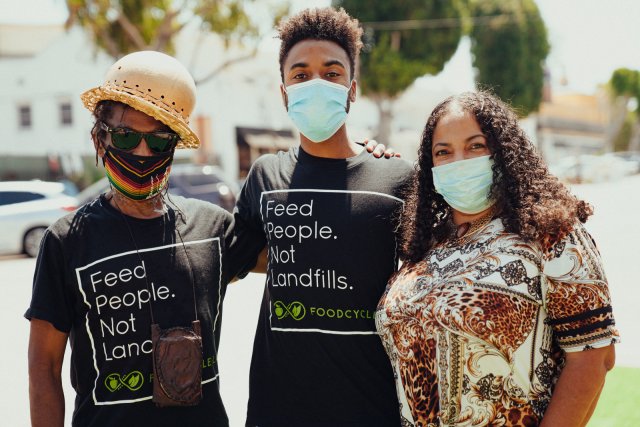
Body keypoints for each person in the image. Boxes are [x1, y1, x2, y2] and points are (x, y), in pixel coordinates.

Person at [25, 50, 252, 426]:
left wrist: (363, 159)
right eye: (126, 137)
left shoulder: (212, 229)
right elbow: (43, 369)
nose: (143, 153)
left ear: (174, 149)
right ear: (100, 140)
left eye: (160, 141)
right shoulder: (66, 241)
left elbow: (297, 249)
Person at [376, 91, 620, 426]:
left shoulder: (551, 234)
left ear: (503, 152)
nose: (459, 161)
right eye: (443, 152)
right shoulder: (425, 247)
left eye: (475, 146)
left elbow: (594, 356)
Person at [234, 7, 414, 427]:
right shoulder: (266, 175)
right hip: (277, 410)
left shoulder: (398, 178)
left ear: (352, 88)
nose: (316, 84)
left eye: (331, 74)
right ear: (284, 93)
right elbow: (235, 259)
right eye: (300, 75)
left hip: (371, 407)